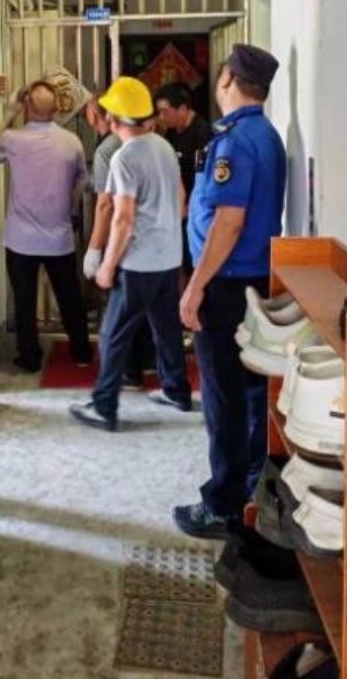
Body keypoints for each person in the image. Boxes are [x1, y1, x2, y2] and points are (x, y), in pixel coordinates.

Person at [173, 43, 287, 540]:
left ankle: (222, 505)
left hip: (226, 284)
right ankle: (246, 486)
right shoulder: (266, 135)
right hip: (254, 279)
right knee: (249, 392)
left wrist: (195, 286)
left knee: (223, 397)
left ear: (226, 81)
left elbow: (229, 221)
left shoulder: (236, 141)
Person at [69, 76, 193, 431]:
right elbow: (181, 201)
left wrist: (107, 264)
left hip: (138, 263)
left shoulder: (124, 157)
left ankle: (104, 406)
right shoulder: (163, 147)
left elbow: (122, 218)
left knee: (113, 333)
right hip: (168, 258)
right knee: (166, 328)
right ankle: (176, 391)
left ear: (113, 118)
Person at [0, 80, 92, 371]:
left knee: (24, 301)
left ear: (28, 106)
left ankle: (30, 357)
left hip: (21, 239)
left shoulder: (13, 139)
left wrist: (10, 113)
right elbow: (82, 180)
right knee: (69, 297)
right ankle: (82, 352)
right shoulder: (71, 142)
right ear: (56, 108)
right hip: (59, 237)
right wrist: (67, 206)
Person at [82, 94, 155, 389]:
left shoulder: (107, 150)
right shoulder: (152, 143)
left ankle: (124, 374)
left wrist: (95, 250)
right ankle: (150, 362)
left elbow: (106, 206)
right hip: (152, 240)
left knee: (118, 315)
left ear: (95, 115)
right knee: (146, 310)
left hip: (122, 241)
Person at [154, 81, 213, 278]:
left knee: (194, 264)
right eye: (159, 112)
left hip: (195, 212)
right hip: (176, 210)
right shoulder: (171, 133)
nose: (162, 117)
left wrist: (189, 207)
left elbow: (206, 178)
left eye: (165, 111)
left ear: (182, 108)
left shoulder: (202, 133)